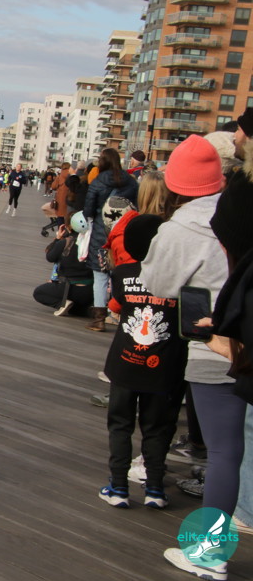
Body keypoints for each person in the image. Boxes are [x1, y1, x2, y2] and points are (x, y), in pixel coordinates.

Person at [139, 136, 245, 581]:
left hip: (215, 346)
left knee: (223, 452)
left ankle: (209, 554)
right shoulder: (242, 208)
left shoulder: (180, 228)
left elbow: (157, 285)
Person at [98, 215, 187, 510]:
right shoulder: (181, 277)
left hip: (124, 362)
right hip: (163, 364)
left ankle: (118, 487)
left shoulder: (123, 274)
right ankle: (155, 489)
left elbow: (118, 303)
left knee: (120, 424)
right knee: (158, 427)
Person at [83, 148, 138, 332]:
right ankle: (117, 314)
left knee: (100, 276)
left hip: (101, 232)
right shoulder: (131, 181)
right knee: (120, 274)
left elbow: (88, 210)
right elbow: (136, 206)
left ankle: (99, 319)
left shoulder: (98, 181)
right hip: (124, 233)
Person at [33, 213, 93, 316]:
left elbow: (50, 257)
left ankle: (62, 304)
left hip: (68, 289)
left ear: (68, 227)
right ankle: (85, 309)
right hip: (90, 290)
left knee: (38, 292)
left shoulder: (65, 243)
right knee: (76, 311)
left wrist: (57, 238)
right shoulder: (93, 244)